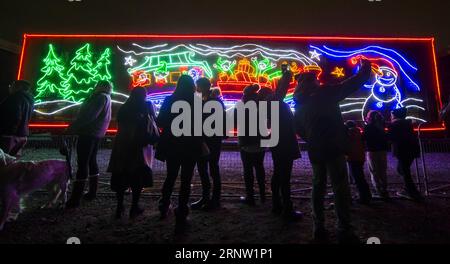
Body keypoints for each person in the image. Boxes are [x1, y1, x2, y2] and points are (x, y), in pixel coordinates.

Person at [294, 59, 371, 244]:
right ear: (314, 83)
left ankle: (318, 227)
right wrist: (365, 70)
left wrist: (313, 139)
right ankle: (344, 228)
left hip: (316, 150)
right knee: (340, 188)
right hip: (334, 148)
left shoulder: (299, 104)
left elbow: (299, 129)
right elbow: (350, 84)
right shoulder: (326, 94)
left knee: (318, 186)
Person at [156, 75, 203, 234]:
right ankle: (182, 212)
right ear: (192, 86)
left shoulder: (170, 99)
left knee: (170, 176)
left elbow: (160, 120)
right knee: (186, 179)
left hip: (172, 144)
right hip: (190, 145)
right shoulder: (197, 101)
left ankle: (164, 205)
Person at [108, 87, 158, 219]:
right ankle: (134, 206)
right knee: (138, 178)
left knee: (121, 176)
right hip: (140, 146)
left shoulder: (125, 107)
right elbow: (154, 122)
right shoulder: (146, 106)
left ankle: (120, 206)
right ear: (144, 95)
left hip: (122, 145)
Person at [261, 70, 303, 221]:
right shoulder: (273, 102)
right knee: (284, 176)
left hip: (278, 142)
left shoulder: (270, 105)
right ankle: (286, 208)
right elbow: (281, 91)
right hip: (284, 142)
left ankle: (277, 204)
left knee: (279, 174)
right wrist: (286, 75)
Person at [65, 81, 112, 209]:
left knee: (83, 163)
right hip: (96, 133)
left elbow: (89, 115)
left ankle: (75, 198)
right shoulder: (106, 97)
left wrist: (74, 126)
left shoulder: (99, 98)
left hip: (88, 132)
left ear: (100, 87)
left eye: (97, 85)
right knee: (91, 161)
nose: (95, 87)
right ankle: (92, 192)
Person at [191, 78, 226, 211]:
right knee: (209, 169)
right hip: (211, 140)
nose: (196, 88)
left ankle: (211, 198)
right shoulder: (213, 101)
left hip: (208, 139)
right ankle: (211, 199)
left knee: (208, 169)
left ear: (201, 87)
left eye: (198, 86)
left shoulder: (207, 102)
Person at [237, 84, 266, 206]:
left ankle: (250, 196)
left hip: (246, 142)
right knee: (260, 168)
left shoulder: (242, 106)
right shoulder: (261, 105)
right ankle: (263, 195)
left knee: (248, 170)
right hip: (260, 141)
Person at [388, 108, 424, 202]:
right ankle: (409, 189)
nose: (391, 116)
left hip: (402, 150)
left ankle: (412, 192)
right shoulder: (407, 123)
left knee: (404, 171)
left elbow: (391, 137)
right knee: (403, 169)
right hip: (411, 150)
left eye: (392, 115)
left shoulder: (395, 124)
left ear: (395, 115)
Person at [0, 80, 34, 156]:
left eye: (11, 86)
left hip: (10, 136)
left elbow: (15, 116)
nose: (10, 88)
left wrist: (8, 131)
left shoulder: (15, 98)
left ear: (19, 87)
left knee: (4, 160)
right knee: (13, 161)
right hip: (23, 135)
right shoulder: (29, 100)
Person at [363, 111, 390, 200]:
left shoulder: (368, 127)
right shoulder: (382, 126)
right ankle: (384, 189)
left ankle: (378, 190)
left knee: (374, 171)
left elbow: (364, 138)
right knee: (382, 170)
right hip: (382, 150)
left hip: (372, 151)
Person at [345, 121, 372, 205]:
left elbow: (348, 145)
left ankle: (364, 197)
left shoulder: (350, 133)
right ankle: (366, 195)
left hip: (353, 157)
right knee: (360, 177)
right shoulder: (358, 133)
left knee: (358, 178)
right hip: (360, 157)